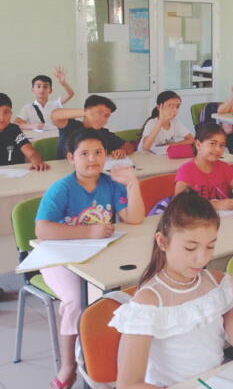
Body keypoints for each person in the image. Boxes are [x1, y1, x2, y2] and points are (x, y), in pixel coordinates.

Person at [111, 191, 233, 388]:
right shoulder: (149, 302)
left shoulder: (217, 283)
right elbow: (129, 385)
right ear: (163, 242)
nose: (202, 259)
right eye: (190, 248)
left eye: (210, 247)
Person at [35, 128, 144, 389]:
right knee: (76, 299)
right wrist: (90, 231)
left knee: (114, 295)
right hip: (58, 258)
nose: (92, 159)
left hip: (95, 257)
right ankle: (69, 366)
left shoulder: (109, 184)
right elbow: (42, 230)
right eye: (84, 154)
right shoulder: (62, 188)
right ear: (71, 158)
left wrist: (132, 184)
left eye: (98, 153)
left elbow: (135, 218)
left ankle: (103, 358)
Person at [174, 123, 233, 209]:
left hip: (225, 216)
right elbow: (179, 205)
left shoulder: (224, 167)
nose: (218, 149)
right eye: (212, 143)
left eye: (221, 145)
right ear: (198, 145)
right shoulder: (186, 171)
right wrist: (214, 205)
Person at [52, 95, 134, 159]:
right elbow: (55, 115)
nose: (102, 118)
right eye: (99, 112)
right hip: (65, 170)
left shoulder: (105, 133)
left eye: (106, 116)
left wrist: (122, 151)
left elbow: (129, 146)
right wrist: (86, 113)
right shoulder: (70, 126)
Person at [0, 93, 49, 170]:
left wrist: (36, 161)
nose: (1, 117)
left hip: (17, 174)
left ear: (11, 114)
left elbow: (31, 153)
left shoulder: (14, 130)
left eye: (6, 112)